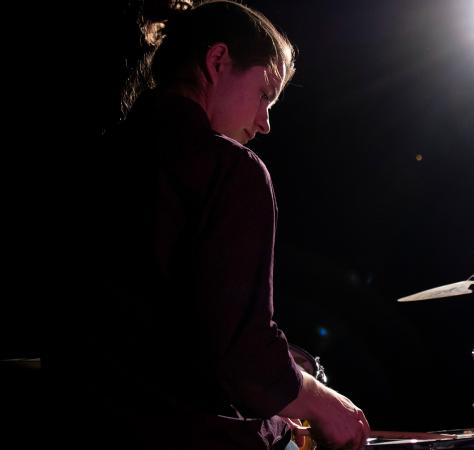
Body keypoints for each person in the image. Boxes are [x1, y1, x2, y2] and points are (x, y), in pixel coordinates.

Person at [46, 2, 369, 449]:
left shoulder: (95, 160)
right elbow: (242, 355)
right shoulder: (227, 169)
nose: (265, 123)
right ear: (217, 61)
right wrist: (321, 400)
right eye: (264, 95)